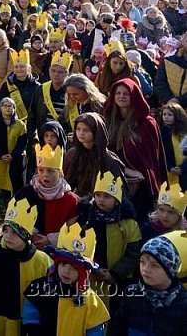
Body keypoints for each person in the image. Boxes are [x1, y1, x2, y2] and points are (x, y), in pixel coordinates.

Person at [0, 197, 52, 336]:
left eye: (14, 233)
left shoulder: (41, 261)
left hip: (28, 322)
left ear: (25, 235)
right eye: (5, 231)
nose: (7, 236)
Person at [22, 222, 110, 335]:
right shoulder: (40, 287)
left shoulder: (90, 300)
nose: (66, 271)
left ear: (83, 273)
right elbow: (30, 315)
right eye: (63, 264)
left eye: (74, 268)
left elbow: (95, 329)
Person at [76, 172, 141, 312]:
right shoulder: (86, 219)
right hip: (91, 277)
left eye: (106, 196)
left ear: (116, 200)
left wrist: (114, 274)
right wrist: (93, 268)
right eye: (98, 195)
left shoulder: (129, 223)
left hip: (118, 280)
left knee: (115, 314)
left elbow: (133, 253)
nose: (101, 200)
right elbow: (77, 245)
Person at [105, 78, 167, 219]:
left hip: (141, 186)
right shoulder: (110, 120)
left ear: (134, 95)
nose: (121, 96)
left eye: (126, 93)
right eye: (118, 93)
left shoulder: (147, 124)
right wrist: (126, 170)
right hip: (112, 181)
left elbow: (152, 160)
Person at [110, 236, 187, 336]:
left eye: (154, 265)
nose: (145, 269)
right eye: (142, 262)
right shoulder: (132, 293)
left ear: (170, 269)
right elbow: (119, 330)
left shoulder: (183, 303)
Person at [14, 143, 79, 251]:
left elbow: (72, 229)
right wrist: (29, 234)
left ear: (60, 173)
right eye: (41, 170)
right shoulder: (28, 192)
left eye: (50, 171)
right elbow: (15, 218)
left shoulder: (70, 199)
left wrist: (51, 240)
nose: (45, 175)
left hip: (58, 252)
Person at [64, 112, 127, 198]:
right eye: (78, 129)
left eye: (86, 130)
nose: (81, 133)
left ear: (96, 132)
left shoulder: (109, 160)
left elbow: (118, 192)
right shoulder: (72, 154)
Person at [0, 96, 28, 217]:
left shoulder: (20, 124)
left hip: (16, 159)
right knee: (3, 183)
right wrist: (0, 155)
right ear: (0, 108)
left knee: (17, 182)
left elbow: (23, 142)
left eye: (10, 106)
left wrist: (13, 155)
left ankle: (18, 208)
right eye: (5, 106)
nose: (8, 108)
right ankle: (6, 207)